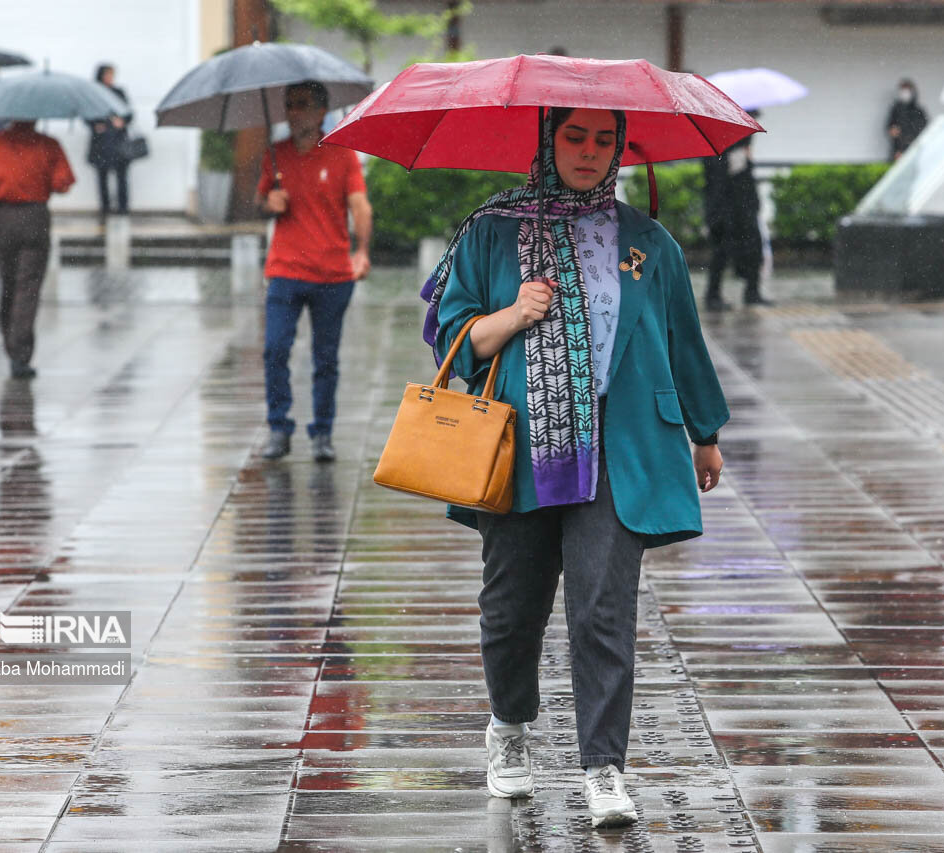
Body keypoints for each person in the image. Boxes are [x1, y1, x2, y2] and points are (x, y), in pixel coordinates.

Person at [424, 107, 728, 827]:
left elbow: (683, 334)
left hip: (620, 449)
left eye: (603, 139)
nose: (589, 153)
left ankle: (603, 767)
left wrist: (704, 430)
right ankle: (509, 728)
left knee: (602, 609)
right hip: (521, 448)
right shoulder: (491, 232)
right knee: (510, 610)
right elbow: (447, 330)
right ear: (545, 141)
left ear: (620, 148)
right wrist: (513, 314)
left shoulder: (648, 241)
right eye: (574, 137)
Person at [258, 81, 372, 462]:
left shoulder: (341, 155)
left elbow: (360, 206)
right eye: (289, 105)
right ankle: (278, 426)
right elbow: (259, 202)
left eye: (302, 105)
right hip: (285, 270)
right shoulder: (275, 156)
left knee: (326, 359)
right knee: (275, 349)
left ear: (321, 111)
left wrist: (363, 251)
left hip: (332, 274)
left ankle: (322, 432)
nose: (294, 112)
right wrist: (269, 202)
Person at [0, 120, 75, 378]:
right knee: (28, 286)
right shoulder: (48, 145)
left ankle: (10, 345)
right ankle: (20, 353)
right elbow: (63, 183)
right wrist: (40, 177)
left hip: (4, 217)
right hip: (35, 216)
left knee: (8, 282)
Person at [703, 127, 767, 309]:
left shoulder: (742, 147)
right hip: (724, 211)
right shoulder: (716, 147)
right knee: (720, 253)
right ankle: (713, 295)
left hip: (743, 210)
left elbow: (746, 182)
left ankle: (752, 291)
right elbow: (716, 180)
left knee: (753, 248)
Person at [88, 64, 132, 220]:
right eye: (108, 75)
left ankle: (123, 207)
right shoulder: (94, 93)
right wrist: (95, 125)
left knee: (122, 176)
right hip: (101, 143)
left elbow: (129, 114)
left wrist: (122, 121)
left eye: (112, 75)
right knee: (102, 175)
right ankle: (105, 207)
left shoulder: (118, 93)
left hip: (118, 141)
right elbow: (87, 115)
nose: (111, 78)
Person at [886, 78, 928, 161]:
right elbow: (891, 128)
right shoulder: (896, 110)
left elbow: (921, 131)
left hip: (915, 151)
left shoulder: (918, 111)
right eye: (903, 90)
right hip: (898, 151)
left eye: (907, 90)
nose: (905, 93)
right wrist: (898, 149)